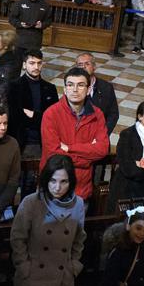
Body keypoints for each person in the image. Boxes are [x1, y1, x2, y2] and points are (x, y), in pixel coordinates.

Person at [10, 154, 85, 286]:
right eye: (52, 180)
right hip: (32, 277)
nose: (57, 187)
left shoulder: (78, 204)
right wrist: (24, 267)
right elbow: (18, 238)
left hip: (60, 279)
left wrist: (73, 267)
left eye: (63, 181)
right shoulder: (31, 203)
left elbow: (79, 238)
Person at [40, 67, 109, 202]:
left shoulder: (98, 114)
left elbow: (102, 150)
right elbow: (54, 155)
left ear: (88, 90)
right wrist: (87, 159)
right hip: (53, 188)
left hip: (81, 189)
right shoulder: (51, 114)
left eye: (81, 85)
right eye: (70, 85)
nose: (75, 90)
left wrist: (69, 148)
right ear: (65, 89)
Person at [8, 49, 58, 155]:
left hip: (44, 141)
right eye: (32, 63)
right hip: (20, 140)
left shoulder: (50, 88)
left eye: (39, 63)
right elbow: (15, 117)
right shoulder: (13, 87)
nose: (36, 67)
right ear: (24, 65)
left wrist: (33, 115)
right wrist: (41, 117)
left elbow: (53, 119)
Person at [75, 53, 118, 135]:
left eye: (87, 64)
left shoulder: (106, 87)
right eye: (80, 64)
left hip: (100, 135)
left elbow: (113, 114)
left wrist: (103, 134)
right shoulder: (72, 87)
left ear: (94, 67)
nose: (83, 67)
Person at [9, 0, 52, 66]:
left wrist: (42, 25)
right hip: (20, 40)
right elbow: (11, 19)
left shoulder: (45, 5)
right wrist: (20, 24)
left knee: (32, 65)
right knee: (16, 66)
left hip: (35, 41)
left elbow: (49, 20)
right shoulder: (20, 3)